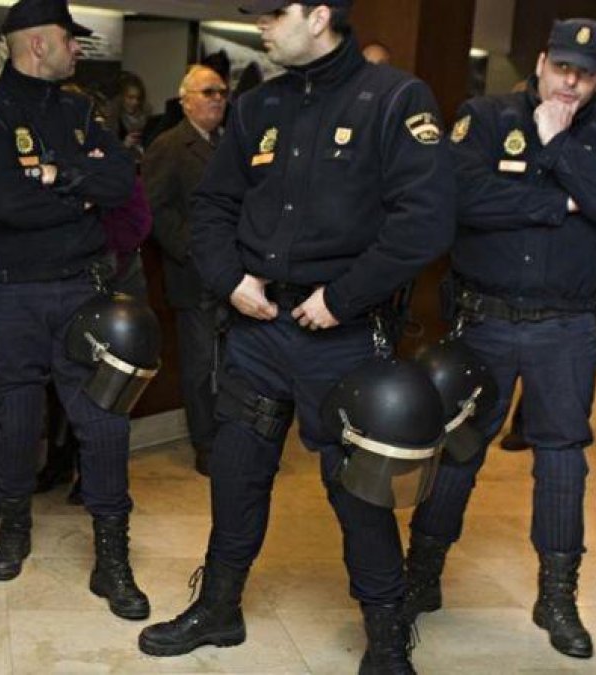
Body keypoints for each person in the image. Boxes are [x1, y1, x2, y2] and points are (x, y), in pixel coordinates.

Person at [137, 2, 455, 672]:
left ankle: (388, 639)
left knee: (359, 494)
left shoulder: (394, 99)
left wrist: (341, 298)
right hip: (257, 328)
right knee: (236, 473)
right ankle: (219, 607)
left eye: (272, 11)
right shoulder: (258, 106)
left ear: (320, 15)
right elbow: (216, 203)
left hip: (342, 336)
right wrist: (229, 280)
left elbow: (423, 222)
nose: (259, 23)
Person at [404, 18, 596, 660]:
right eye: (563, 67)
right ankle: (422, 574)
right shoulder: (483, 117)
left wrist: (560, 148)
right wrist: (563, 200)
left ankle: (558, 595)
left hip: (566, 328)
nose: (571, 81)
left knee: (562, 459)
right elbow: (462, 198)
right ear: (542, 61)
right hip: (482, 321)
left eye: (587, 73)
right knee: (459, 448)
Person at [0, 0, 151, 621]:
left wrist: (51, 174)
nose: (78, 51)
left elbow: (122, 183)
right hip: (12, 294)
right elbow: (0, 204)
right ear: (38, 44)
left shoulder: (79, 109)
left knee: (104, 421)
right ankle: (15, 531)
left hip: (84, 291)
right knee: (16, 419)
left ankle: (112, 558)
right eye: (71, 40)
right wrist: (80, 192)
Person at [142, 65, 229, 477]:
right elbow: (155, 209)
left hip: (233, 272)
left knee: (231, 362)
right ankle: (206, 444)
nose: (217, 99)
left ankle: (229, 438)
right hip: (193, 276)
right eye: (209, 91)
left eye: (222, 92)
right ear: (186, 100)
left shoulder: (227, 143)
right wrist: (189, 250)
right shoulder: (169, 145)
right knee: (199, 366)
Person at [106, 72, 151, 160]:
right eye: (130, 97)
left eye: (138, 98)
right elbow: (106, 152)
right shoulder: (112, 120)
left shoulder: (147, 117)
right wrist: (124, 145)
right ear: (121, 97)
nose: (135, 102)